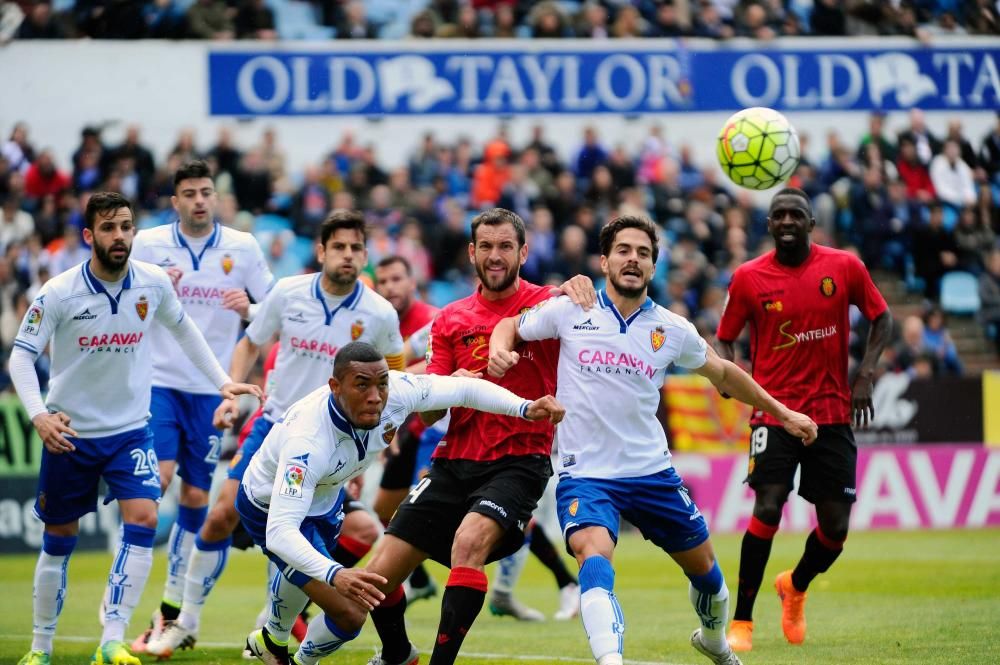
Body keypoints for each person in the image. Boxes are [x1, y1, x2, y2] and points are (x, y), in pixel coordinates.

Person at [488, 215, 817, 665]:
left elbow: (722, 373)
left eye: (643, 253)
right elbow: (512, 324)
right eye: (623, 250)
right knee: (593, 555)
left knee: (710, 580)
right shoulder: (571, 310)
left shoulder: (671, 329)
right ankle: (611, 660)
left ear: (653, 268)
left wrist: (782, 413)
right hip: (586, 474)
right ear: (604, 261)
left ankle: (715, 641)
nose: (633, 259)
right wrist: (498, 348)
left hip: (651, 472)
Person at [9, 192, 261, 665]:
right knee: (59, 539)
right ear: (89, 236)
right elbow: (22, 354)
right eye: (108, 228)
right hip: (71, 434)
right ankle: (40, 646)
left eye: (126, 226)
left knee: (144, 518)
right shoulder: (59, 291)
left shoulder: (152, 283)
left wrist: (224, 382)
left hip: (130, 430)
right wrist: (39, 414)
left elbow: (186, 331)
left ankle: (113, 639)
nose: (119, 236)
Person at [143, 210, 404, 658]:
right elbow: (251, 341)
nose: (347, 255)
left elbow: (394, 373)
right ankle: (185, 621)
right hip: (274, 425)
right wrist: (231, 392)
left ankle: (273, 627)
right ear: (321, 251)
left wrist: (373, 442)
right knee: (221, 512)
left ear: (365, 255)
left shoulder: (379, 313)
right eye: (338, 246)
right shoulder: (288, 292)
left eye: (355, 248)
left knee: (317, 532)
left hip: (333, 441)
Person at [239, 341, 565, 665]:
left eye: (381, 383)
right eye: (362, 385)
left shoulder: (397, 391)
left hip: (325, 499)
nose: (376, 397)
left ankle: (272, 639)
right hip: (268, 507)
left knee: (310, 571)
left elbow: (465, 389)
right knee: (351, 613)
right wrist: (337, 573)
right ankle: (300, 661)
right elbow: (282, 531)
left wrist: (524, 408)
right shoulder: (307, 443)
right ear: (335, 387)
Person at [362, 207, 592, 665]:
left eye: (505, 245)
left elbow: (580, 307)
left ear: (523, 251)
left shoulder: (549, 305)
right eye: (485, 246)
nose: (495, 255)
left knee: (468, 542)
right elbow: (429, 416)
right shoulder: (450, 319)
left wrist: (579, 283)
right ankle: (398, 653)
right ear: (471, 252)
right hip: (454, 461)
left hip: (519, 459)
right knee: (374, 580)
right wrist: (455, 382)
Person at [715, 187, 892, 652]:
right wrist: (729, 377)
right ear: (769, 225)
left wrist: (866, 374)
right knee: (768, 506)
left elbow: (882, 317)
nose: (787, 221)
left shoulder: (844, 267)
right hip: (774, 413)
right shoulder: (749, 278)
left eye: (796, 214)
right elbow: (725, 339)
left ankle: (794, 585)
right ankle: (743, 622)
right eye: (779, 215)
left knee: (835, 529)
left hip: (832, 413)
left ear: (812, 223)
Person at [127, 159, 276, 653]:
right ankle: (123, 603)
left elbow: (274, 309)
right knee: (160, 478)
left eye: (205, 192)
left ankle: (170, 611)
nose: (197, 200)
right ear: (175, 202)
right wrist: (148, 287)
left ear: (215, 198)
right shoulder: (147, 244)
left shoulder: (243, 247)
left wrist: (248, 308)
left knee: (196, 499)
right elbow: (119, 298)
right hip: (159, 382)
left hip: (215, 391)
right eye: (188, 192)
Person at [371, 255, 440, 602]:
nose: (389, 288)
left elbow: (433, 367)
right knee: (384, 508)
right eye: (382, 282)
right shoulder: (380, 321)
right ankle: (420, 580)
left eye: (396, 279)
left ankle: (563, 581)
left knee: (425, 515)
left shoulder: (431, 320)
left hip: (431, 426)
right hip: (402, 425)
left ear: (413, 282)